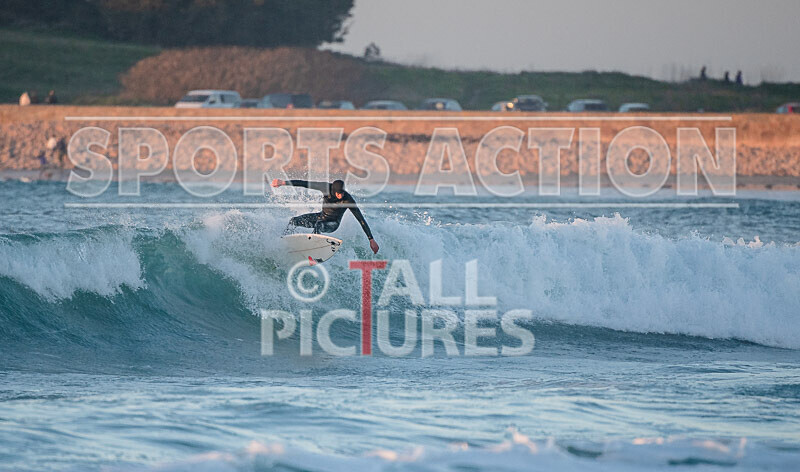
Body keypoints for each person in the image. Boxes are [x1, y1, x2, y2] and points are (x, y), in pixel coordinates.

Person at [271, 178, 379, 254]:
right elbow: (304, 183)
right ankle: (282, 243)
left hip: (333, 224)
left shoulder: (348, 200)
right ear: (334, 191)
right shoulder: (326, 187)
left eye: (342, 193)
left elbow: (361, 219)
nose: (340, 195)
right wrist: (283, 182)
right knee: (294, 221)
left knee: (319, 225)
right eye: (338, 193)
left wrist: (371, 239)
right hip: (321, 217)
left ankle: (312, 249)